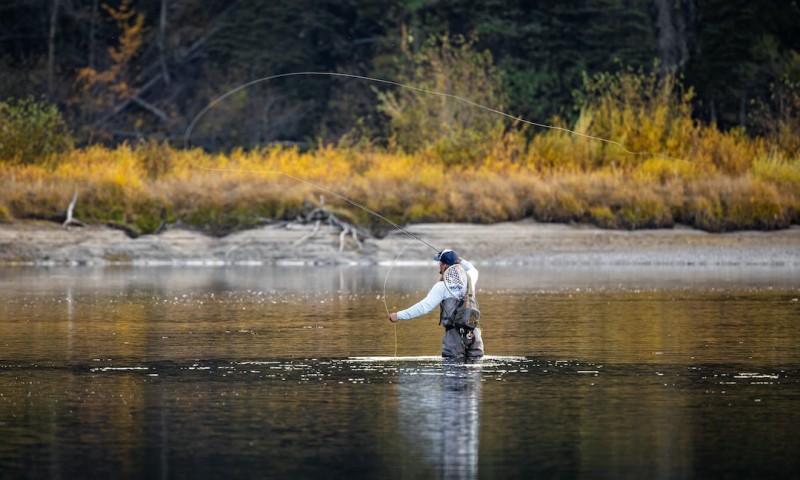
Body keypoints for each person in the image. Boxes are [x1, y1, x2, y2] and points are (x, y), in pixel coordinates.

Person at [388, 249, 484, 359]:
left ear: (443, 265)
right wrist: (460, 260)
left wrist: (398, 315)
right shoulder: (470, 279)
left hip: (454, 338)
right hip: (475, 335)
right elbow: (472, 268)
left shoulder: (441, 287)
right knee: (474, 371)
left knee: (452, 370)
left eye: (440, 262)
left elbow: (423, 308)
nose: (439, 265)